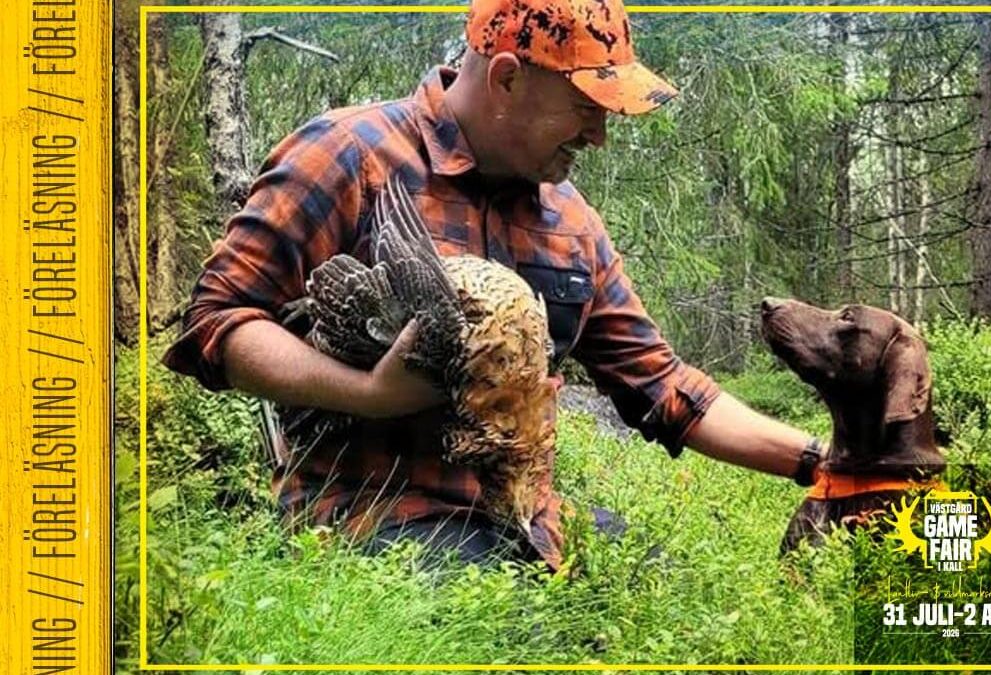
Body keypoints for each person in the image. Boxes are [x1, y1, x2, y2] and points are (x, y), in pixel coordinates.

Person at [163, 0, 824, 569]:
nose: (600, 136)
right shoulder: (348, 153)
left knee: (678, 600)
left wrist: (823, 460)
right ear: (507, 78)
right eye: (585, 108)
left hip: (529, 527)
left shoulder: (569, 221)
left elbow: (664, 385)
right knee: (529, 632)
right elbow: (218, 323)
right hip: (375, 522)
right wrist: (367, 393)